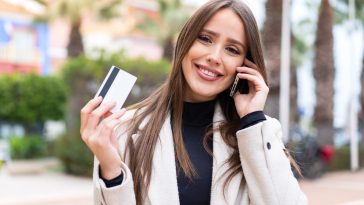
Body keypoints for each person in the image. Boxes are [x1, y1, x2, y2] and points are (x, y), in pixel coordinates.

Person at [80, 0, 308, 204]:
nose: (215, 57)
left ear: (245, 65)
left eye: (232, 49)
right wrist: (111, 170)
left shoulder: (258, 132)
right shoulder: (124, 129)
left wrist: (252, 120)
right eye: (205, 38)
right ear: (185, 41)